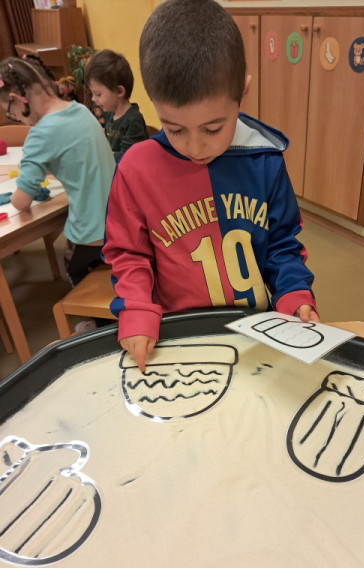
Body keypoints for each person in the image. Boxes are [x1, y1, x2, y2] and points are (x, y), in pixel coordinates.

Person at [102, 0, 319, 372]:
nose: (195, 147)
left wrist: (294, 292)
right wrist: (136, 308)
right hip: (179, 339)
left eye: (213, 128)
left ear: (243, 93)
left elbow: (282, 244)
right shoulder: (135, 170)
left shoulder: (264, 159)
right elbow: (129, 254)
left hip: (256, 334)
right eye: (174, 129)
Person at [0, 54, 115, 288]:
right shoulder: (80, 110)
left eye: (10, 113)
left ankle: (90, 308)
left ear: (17, 99)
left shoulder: (40, 134)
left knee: (72, 266)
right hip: (120, 222)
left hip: (92, 234)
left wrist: (17, 192)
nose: (17, 120)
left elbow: (21, 202)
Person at [85, 50, 148, 162]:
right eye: (92, 94)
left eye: (98, 94)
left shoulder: (133, 120)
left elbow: (129, 158)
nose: (93, 99)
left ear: (119, 91)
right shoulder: (110, 114)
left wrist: (101, 155)